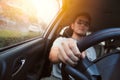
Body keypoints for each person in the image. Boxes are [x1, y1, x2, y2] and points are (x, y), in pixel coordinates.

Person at [49, 12, 96, 80]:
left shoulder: (91, 49)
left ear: (88, 28)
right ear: (72, 26)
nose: (82, 25)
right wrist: (61, 54)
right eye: (79, 23)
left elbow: (93, 69)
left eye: (86, 24)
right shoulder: (61, 40)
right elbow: (52, 56)